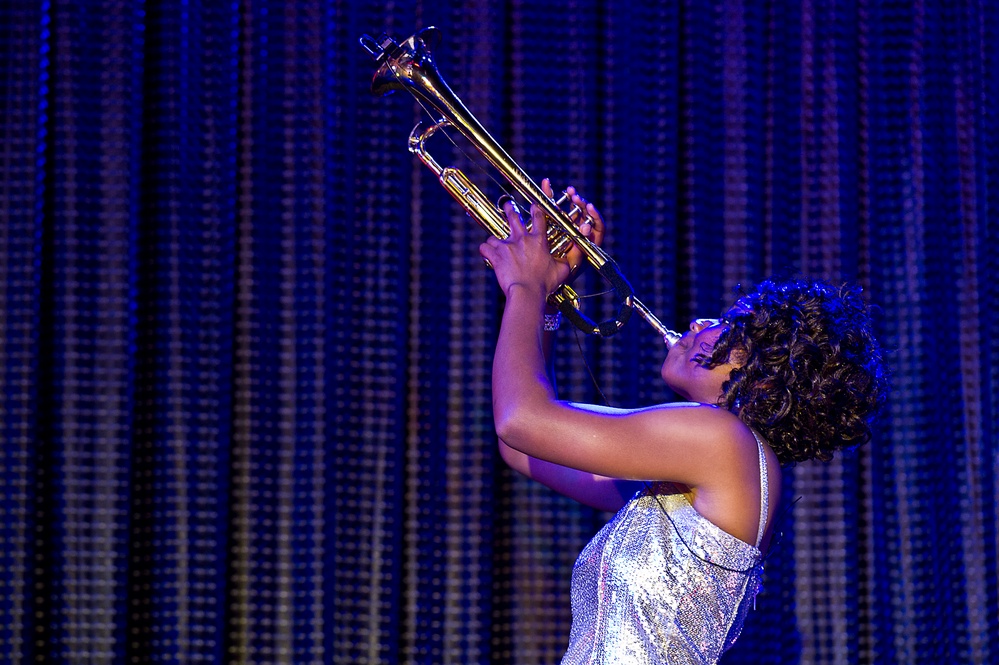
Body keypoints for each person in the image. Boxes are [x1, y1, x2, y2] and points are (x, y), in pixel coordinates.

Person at [478, 182, 889, 664]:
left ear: (761, 378)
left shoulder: (723, 442)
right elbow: (527, 447)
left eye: (728, 326)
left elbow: (520, 422)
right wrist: (546, 306)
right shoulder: (704, 469)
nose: (698, 323)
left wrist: (526, 285)